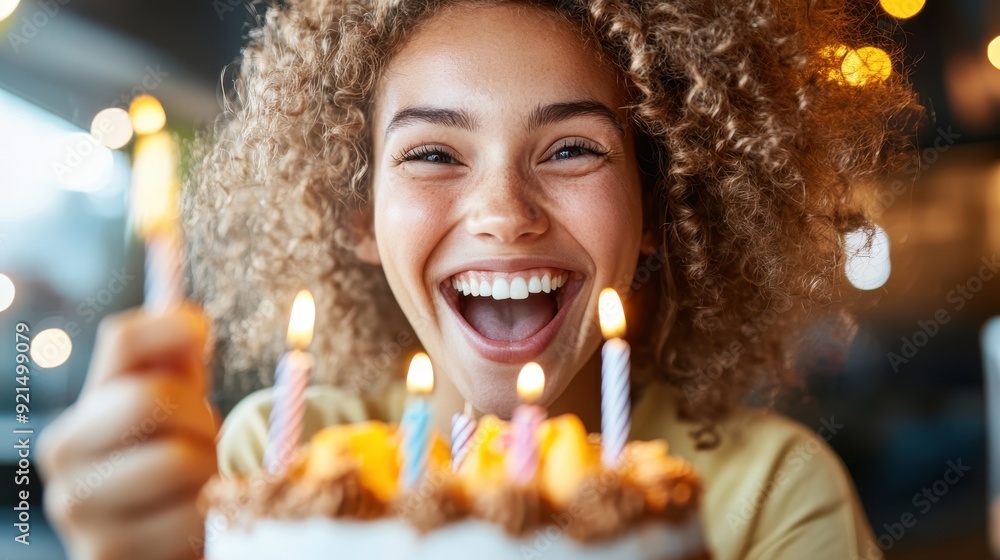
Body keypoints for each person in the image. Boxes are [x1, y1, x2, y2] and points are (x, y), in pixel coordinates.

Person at [38, 0, 924, 558]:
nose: (504, 213)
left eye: (573, 149)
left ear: (661, 205)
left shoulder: (772, 496)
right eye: (431, 153)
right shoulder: (277, 459)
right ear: (357, 213)